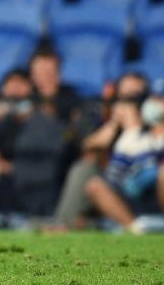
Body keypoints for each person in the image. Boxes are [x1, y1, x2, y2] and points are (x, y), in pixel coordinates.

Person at [84, 78, 164, 236]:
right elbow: (113, 178)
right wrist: (134, 180)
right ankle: (136, 229)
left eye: (162, 99)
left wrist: (157, 167)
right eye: (152, 98)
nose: (155, 103)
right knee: (94, 185)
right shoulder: (132, 136)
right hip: (139, 203)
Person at [0, 70, 68, 223]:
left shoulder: (46, 122)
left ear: (31, 89)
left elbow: (51, 169)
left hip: (33, 198)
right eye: (10, 85)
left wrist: (9, 168)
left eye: (20, 84)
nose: (14, 89)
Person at [52, 71, 146, 229]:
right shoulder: (103, 114)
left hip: (139, 172)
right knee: (83, 167)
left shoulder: (151, 116)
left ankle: (136, 228)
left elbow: (145, 154)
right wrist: (114, 123)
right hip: (111, 177)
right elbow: (88, 145)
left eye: (134, 96)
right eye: (124, 95)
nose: (128, 101)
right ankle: (64, 224)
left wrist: (133, 127)